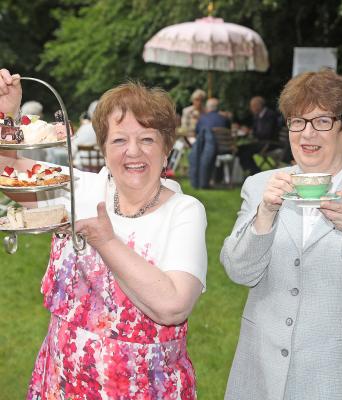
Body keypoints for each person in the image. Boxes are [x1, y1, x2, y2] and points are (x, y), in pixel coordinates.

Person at [0, 69, 207, 399]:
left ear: (166, 147)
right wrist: (7, 113)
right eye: (120, 140)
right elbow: (5, 167)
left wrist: (106, 242)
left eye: (147, 139)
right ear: (104, 148)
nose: (133, 151)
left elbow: (173, 306)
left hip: (144, 390)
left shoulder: (184, 211)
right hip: (61, 384)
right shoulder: (81, 190)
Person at [220, 69, 342, 400]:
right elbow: (239, 272)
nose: (307, 134)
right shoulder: (261, 186)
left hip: (341, 379)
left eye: (321, 122)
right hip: (260, 377)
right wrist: (265, 215)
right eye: (297, 122)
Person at [189, 97, 231, 189]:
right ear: (218, 108)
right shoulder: (225, 119)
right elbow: (229, 130)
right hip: (224, 149)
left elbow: (197, 134)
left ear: (208, 107)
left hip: (206, 150)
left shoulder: (202, 119)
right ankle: (220, 178)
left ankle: (202, 179)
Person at [237, 96, 280, 175]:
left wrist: (250, 132)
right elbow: (255, 130)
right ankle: (253, 171)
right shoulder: (257, 116)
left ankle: (254, 172)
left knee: (245, 151)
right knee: (240, 149)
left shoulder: (269, 115)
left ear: (258, 105)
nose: (251, 108)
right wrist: (248, 131)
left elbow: (266, 133)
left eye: (252, 106)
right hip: (262, 142)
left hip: (270, 143)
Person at [72, 99, 99, 168]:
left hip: (83, 164)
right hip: (102, 164)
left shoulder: (85, 127)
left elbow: (73, 145)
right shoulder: (108, 128)